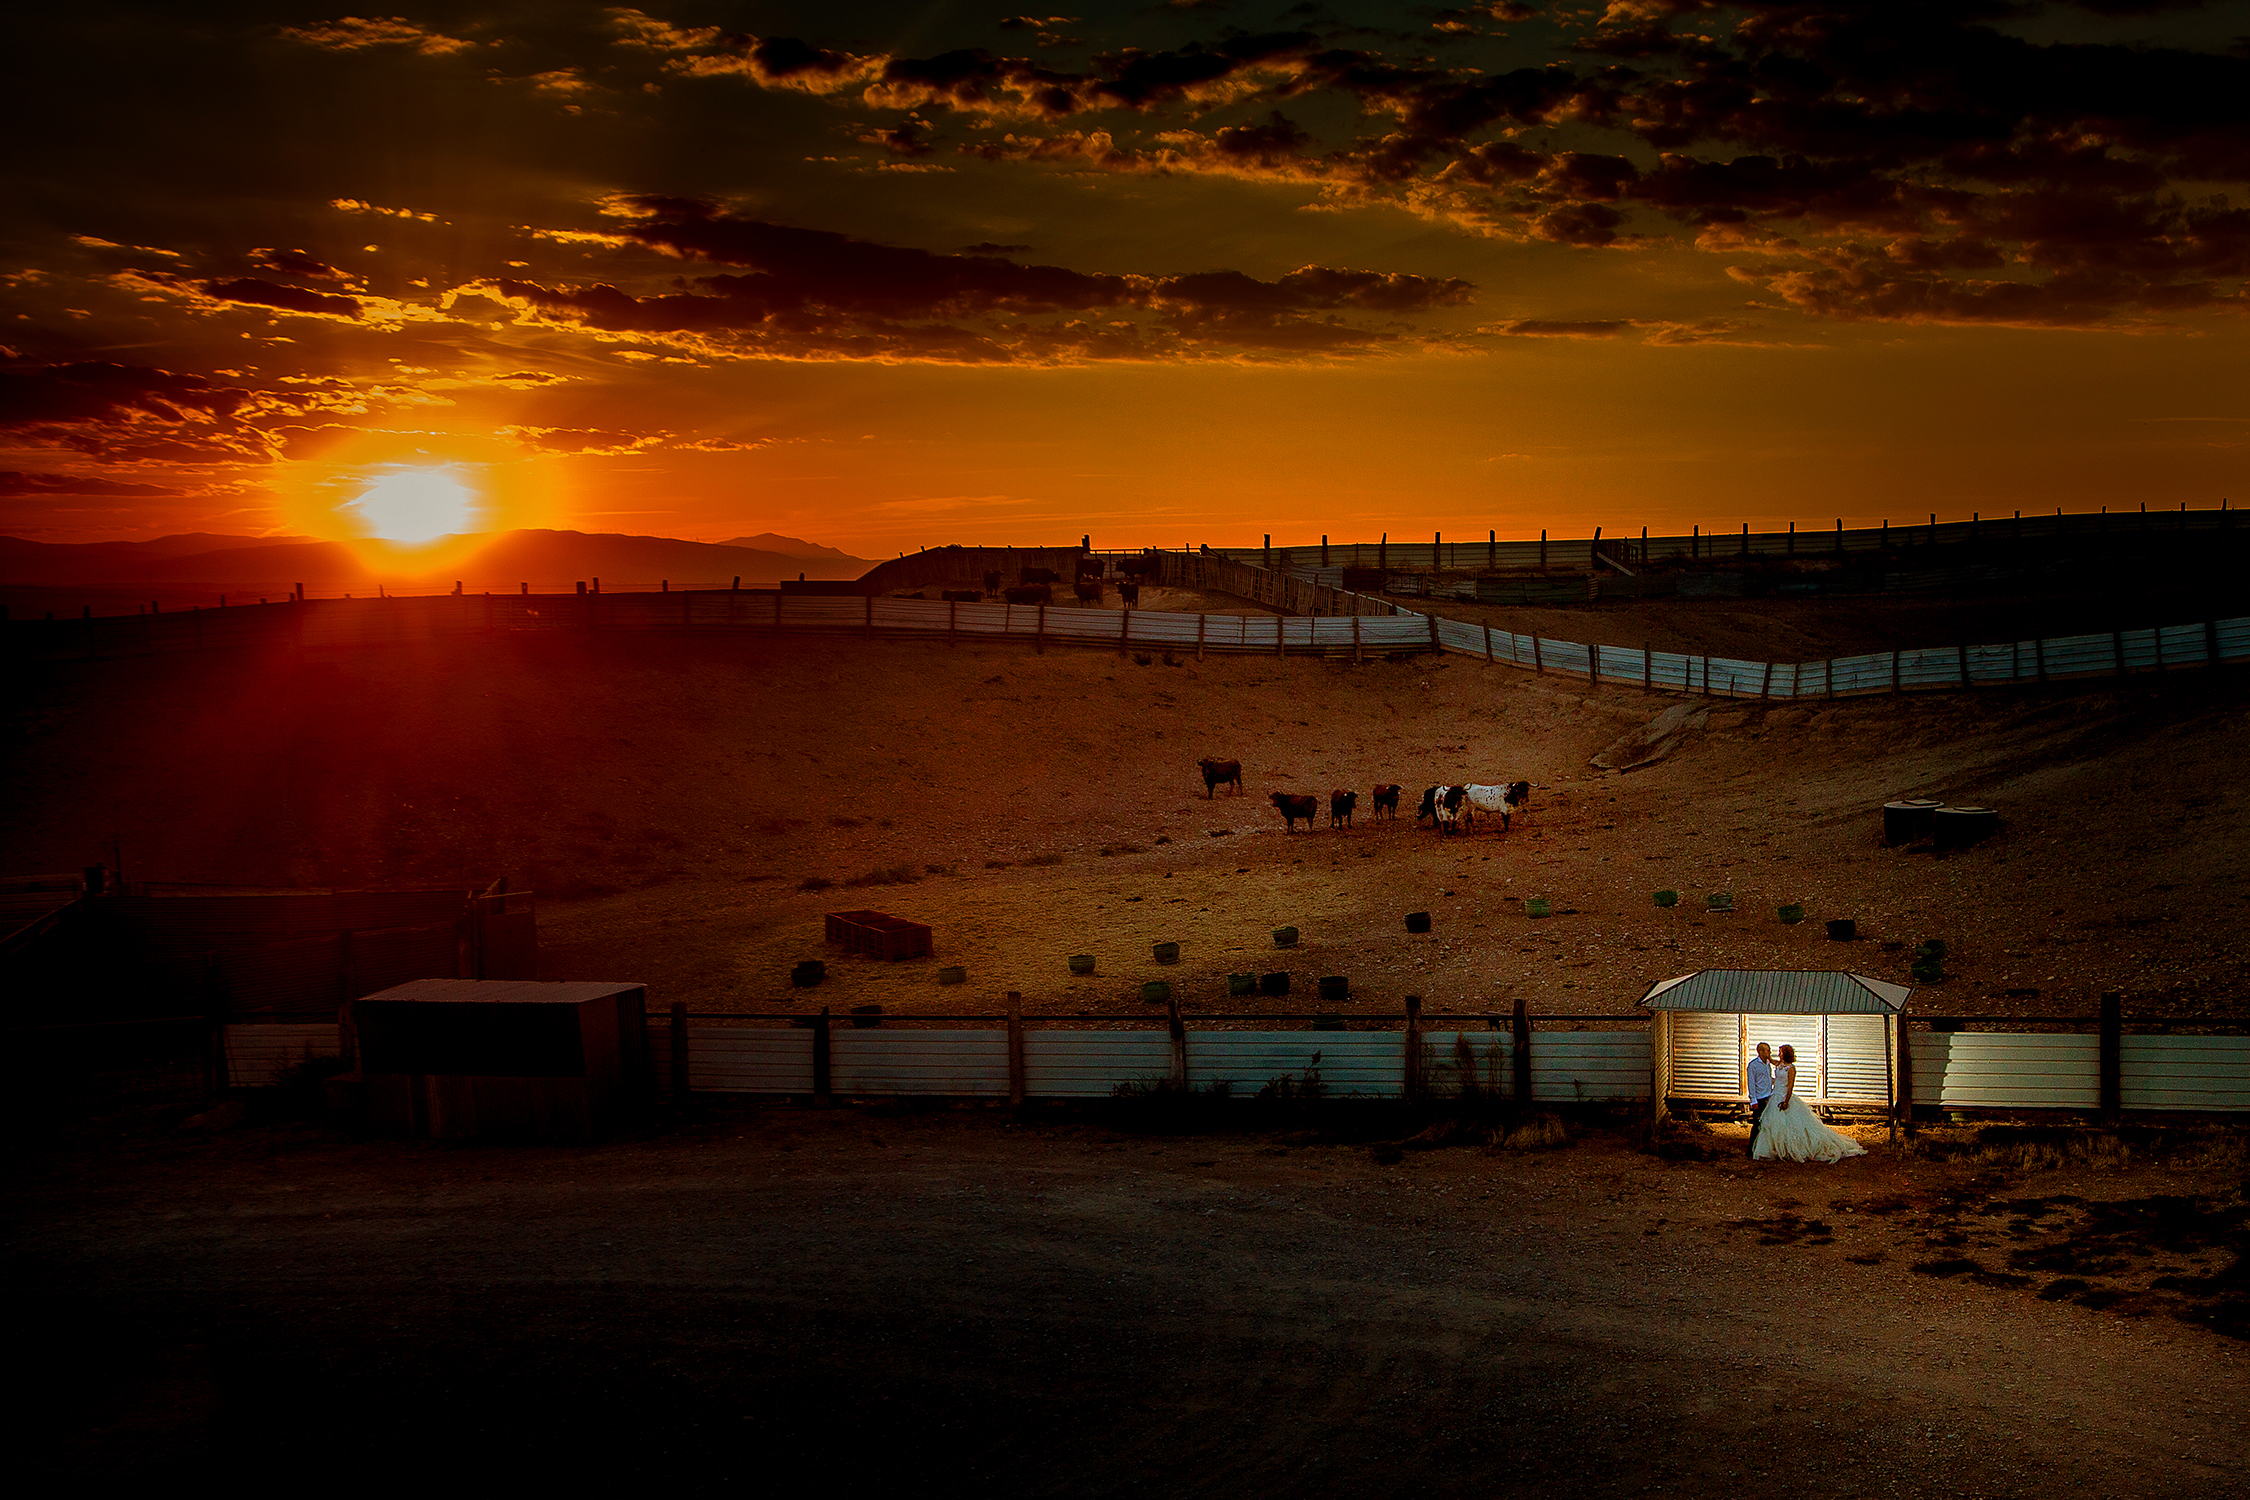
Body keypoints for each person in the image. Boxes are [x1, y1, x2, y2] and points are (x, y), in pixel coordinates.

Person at [1752, 1044, 1868, 1163]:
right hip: (1775, 1097)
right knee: (1772, 1124)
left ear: (1785, 1054)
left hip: (1783, 1097)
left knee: (1791, 1125)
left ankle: (1793, 1149)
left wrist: (1786, 1101)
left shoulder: (1791, 1068)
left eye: (1780, 1052)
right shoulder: (1780, 1065)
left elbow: (1790, 1086)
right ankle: (1775, 1149)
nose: (1778, 1054)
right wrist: (1764, 1055)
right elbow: (1771, 1060)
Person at [1745, 1041, 1775, 1159]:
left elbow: (1767, 1079)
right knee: (1757, 1124)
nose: (1769, 1052)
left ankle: (1763, 1148)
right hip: (1760, 1098)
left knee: (1767, 1123)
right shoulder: (1753, 1065)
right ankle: (1751, 1149)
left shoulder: (1767, 1064)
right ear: (1760, 1051)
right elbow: (1751, 1083)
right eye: (1767, 1050)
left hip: (1768, 1096)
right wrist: (1754, 1101)